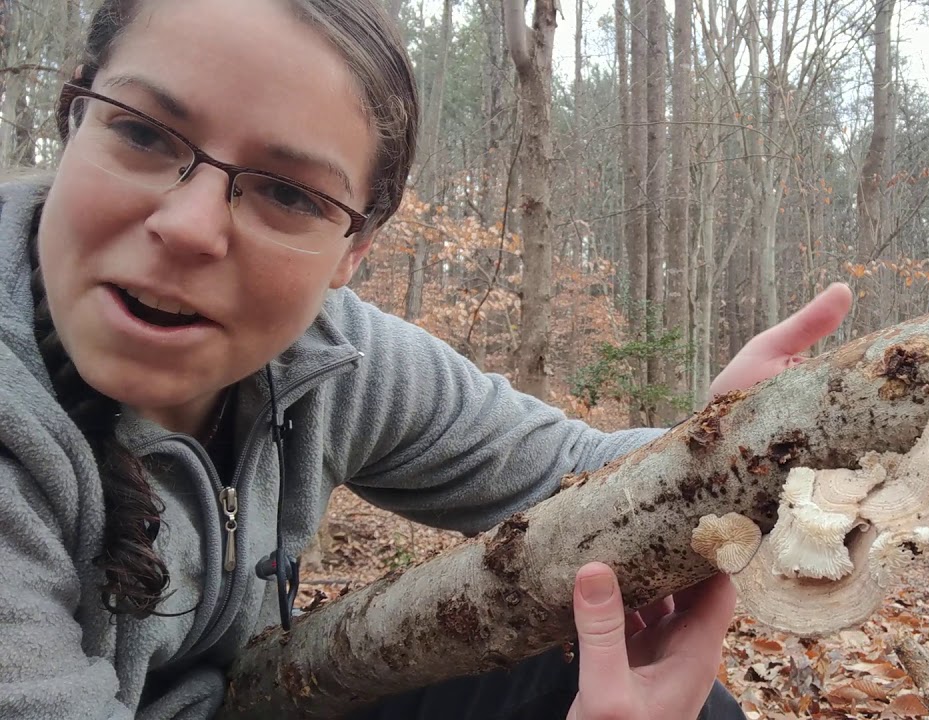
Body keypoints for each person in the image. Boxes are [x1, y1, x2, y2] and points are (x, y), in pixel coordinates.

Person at [0, 0, 853, 718]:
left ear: (353, 253)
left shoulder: (327, 358)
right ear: (72, 118)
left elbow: (565, 472)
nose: (187, 226)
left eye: (288, 193)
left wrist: (726, 441)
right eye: (144, 135)